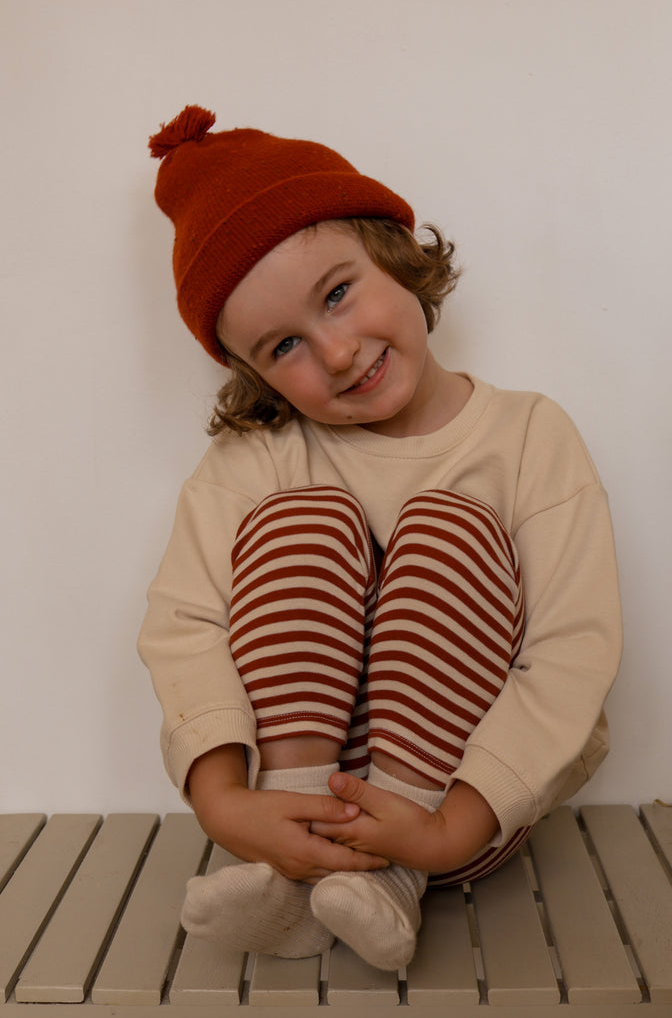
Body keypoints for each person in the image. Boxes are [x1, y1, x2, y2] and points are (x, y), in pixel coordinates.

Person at [137, 105, 622, 970]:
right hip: (294, 806)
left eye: (337, 293)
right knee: (304, 521)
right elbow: (185, 623)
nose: (334, 351)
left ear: (394, 251)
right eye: (284, 343)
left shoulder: (526, 439)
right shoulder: (262, 460)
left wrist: (450, 826)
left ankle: (387, 881)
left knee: (448, 524)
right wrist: (225, 804)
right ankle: (294, 878)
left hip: (459, 808)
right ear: (251, 371)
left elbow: (573, 651)